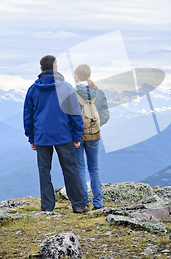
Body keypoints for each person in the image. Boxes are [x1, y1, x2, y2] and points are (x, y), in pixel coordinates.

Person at [23, 55, 89, 213]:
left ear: (41, 69)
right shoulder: (65, 87)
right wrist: (77, 135)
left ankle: (47, 207)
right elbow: (75, 113)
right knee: (71, 169)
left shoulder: (33, 89)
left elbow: (28, 116)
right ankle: (79, 205)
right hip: (63, 134)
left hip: (41, 135)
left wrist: (31, 137)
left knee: (44, 171)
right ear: (56, 68)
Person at [73, 64, 109, 209]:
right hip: (94, 135)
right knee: (94, 169)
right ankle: (98, 202)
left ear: (77, 76)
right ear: (89, 75)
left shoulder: (72, 93)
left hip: (77, 137)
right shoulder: (99, 93)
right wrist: (95, 126)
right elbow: (105, 115)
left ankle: (84, 202)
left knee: (80, 167)